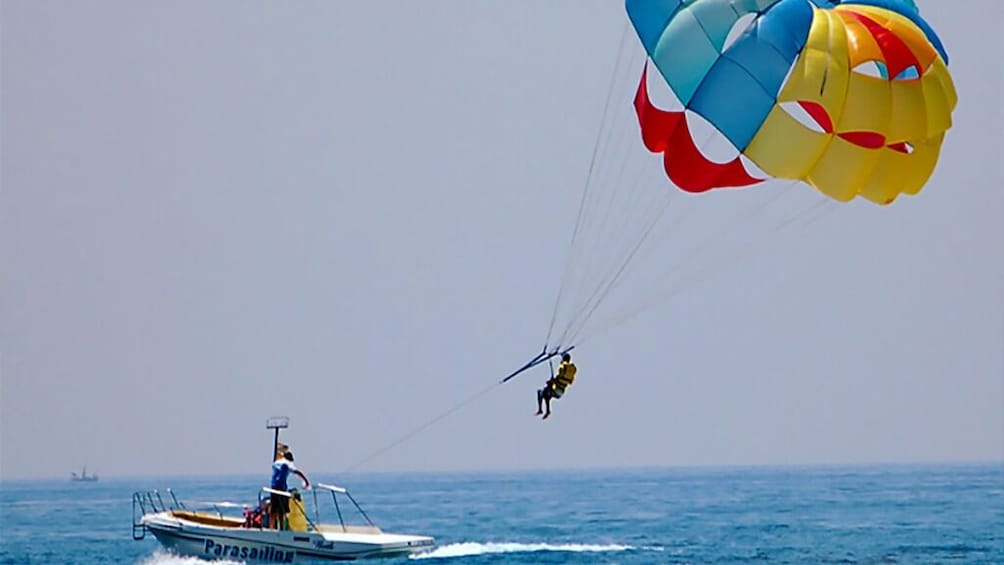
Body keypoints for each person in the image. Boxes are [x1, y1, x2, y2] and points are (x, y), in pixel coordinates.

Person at [269, 451, 310, 530]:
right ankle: (281, 528)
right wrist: (306, 481)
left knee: (273, 510)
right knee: (281, 510)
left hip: (273, 487)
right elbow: (297, 472)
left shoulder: (276, 462)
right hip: (281, 488)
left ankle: (271, 527)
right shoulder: (287, 464)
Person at [536, 353, 576, 419]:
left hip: (556, 389)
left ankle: (540, 410)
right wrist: (553, 382)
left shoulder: (563, 366)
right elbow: (570, 381)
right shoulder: (572, 369)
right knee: (547, 394)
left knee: (540, 392)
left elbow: (559, 377)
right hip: (561, 392)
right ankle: (547, 411)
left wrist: (552, 381)